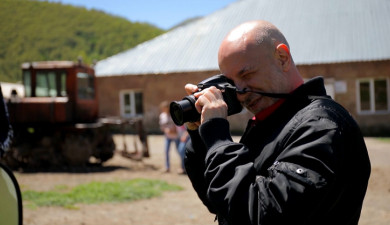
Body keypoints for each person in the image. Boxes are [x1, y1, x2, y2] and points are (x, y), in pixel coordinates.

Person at [183, 20, 371, 225]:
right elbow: (222, 201)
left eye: (246, 74)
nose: (240, 91)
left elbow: (262, 215)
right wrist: (201, 136)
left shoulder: (322, 126)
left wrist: (219, 139)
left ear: (282, 58)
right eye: (231, 82)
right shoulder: (273, 121)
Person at [159, 101, 180, 173]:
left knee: (179, 151)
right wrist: (165, 130)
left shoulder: (173, 115)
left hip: (175, 136)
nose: (164, 110)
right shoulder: (162, 116)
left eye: (166, 108)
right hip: (167, 136)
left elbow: (179, 125)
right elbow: (162, 126)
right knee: (166, 151)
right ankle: (167, 167)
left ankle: (182, 166)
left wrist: (174, 130)